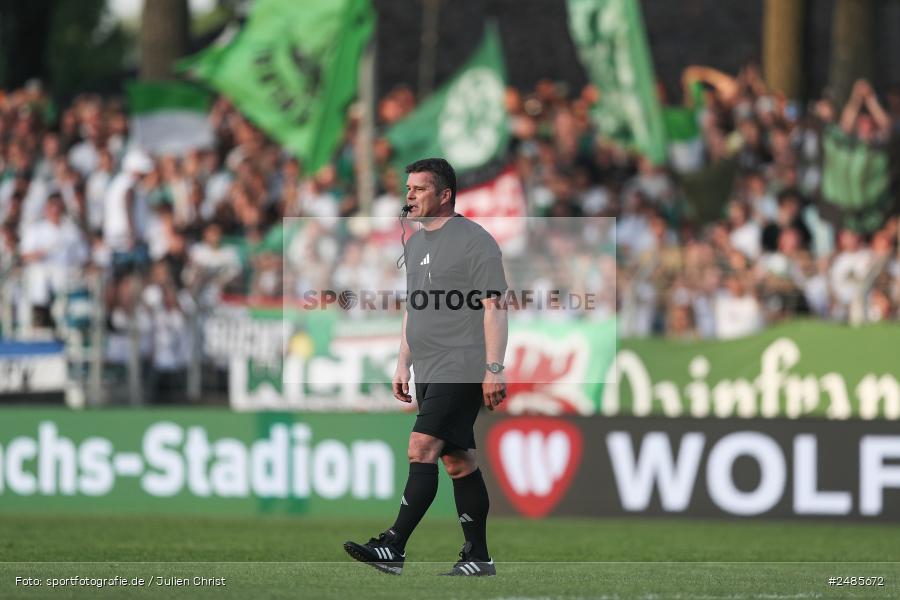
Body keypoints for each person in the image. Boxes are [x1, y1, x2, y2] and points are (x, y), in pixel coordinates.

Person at [343, 158, 508, 576]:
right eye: (408, 189)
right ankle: (478, 557)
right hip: (430, 365)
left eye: (418, 189)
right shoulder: (415, 243)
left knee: (421, 446)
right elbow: (413, 308)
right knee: (458, 462)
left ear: (444, 195)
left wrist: (493, 367)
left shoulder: (476, 241)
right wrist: (403, 362)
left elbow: (494, 307)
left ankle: (393, 546)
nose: (408, 196)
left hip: (463, 360)